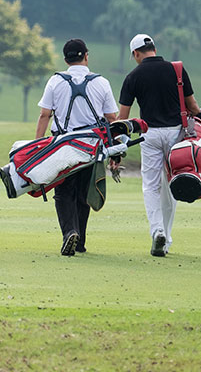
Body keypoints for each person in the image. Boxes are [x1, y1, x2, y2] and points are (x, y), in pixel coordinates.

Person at [118, 33, 201, 257]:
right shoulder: (177, 70)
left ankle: (157, 231)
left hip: (150, 134)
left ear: (136, 54)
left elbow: (123, 119)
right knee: (171, 186)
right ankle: (166, 239)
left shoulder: (133, 76)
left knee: (151, 186)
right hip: (176, 134)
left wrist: (116, 147)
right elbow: (193, 106)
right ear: (154, 48)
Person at [36, 39, 118, 256]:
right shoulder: (102, 82)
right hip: (92, 146)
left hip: (62, 145)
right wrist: (115, 149)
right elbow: (111, 118)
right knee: (84, 193)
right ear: (86, 56)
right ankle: (79, 240)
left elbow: (45, 115)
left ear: (65, 59)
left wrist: (37, 145)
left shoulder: (55, 81)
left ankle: (69, 232)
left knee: (63, 191)